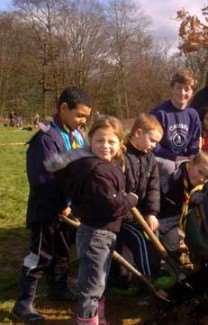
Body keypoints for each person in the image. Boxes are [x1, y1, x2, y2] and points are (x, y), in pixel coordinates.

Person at [12, 87, 92, 323]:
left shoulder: (77, 135)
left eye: (86, 117)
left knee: (62, 251)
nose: (83, 121)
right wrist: (60, 202)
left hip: (68, 208)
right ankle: (23, 303)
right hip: (46, 209)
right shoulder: (46, 138)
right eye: (80, 116)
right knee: (39, 255)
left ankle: (58, 287)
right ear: (63, 108)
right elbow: (42, 177)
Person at [51, 116, 138, 324]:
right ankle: (87, 320)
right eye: (100, 140)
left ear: (120, 143)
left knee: (98, 280)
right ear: (90, 140)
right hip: (97, 234)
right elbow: (112, 206)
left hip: (99, 231)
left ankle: (98, 317)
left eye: (111, 141)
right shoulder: (98, 171)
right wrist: (130, 200)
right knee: (93, 285)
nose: (105, 146)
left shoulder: (100, 164)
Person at [109, 113, 163, 288]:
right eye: (153, 140)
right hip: (121, 215)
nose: (154, 146)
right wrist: (127, 210)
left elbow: (154, 188)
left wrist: (152, 213)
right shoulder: (121, 156)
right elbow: (116, 190)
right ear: (138, 133)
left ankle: (156, 268)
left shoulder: (150, 159)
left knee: (153, 232)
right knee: (139, 238)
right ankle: (149, 280)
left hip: (139, 213)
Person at [157, 151, 208, 263]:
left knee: (172, 251)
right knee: (157, 252)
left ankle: (200, 255)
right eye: (200, 172)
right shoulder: (171, 172)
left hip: (173, 221)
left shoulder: (202, 188)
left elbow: (194, 205)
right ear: (191, 163)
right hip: (156, 217)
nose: (202, 179)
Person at [151, 69, 201, 161]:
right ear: (172, 89)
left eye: (187, 89)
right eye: (178, 88)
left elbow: (195, 140)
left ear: (192, 93)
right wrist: (175, 157)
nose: (182, 93)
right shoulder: (159, 113)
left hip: (186, 159)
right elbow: (153, 144)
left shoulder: (193, 114)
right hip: (163, 160)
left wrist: (193, 155)